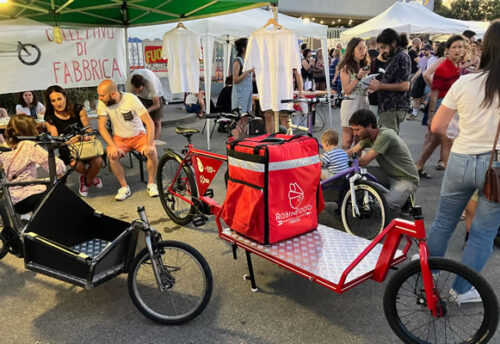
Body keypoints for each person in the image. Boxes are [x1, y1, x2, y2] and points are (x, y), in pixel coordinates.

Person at [426, 20, 499, 301]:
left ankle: (426, 276)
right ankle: (462, 291)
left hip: (460, 158)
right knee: (482, 234)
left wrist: (461, 134)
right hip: (496, 166)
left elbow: (437, 126)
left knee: (443, 222)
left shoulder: (465, 82)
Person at [97, 79, 158, 201]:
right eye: (99, 95)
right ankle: (124, 187)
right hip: (120, 137)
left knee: (152, 152)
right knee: (112, 156)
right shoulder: (102, 103)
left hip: (138, 135)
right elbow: (101, 128)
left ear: (113, 94)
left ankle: (151, 183)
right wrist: (112, 145)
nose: (99, 98)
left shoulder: (131, 99)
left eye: (102, 95)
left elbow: (149, 123)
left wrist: (150, 143)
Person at [347, 109, 419, 211]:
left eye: (357, 129)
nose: (355, 134)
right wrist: (330, 157)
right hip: (387, 173)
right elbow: (352, 151)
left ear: (369, 126)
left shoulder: (385, 135)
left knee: (380, 206)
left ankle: (406, 198)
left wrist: (345, 163)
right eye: (353, 130)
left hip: (406, 179)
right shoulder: (368, 136)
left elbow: (365, 160)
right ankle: (393, 194)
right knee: (355, 174)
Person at [44, 85, 103, 197]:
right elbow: (56, 141)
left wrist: (81, 137)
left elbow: (89, 130)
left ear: (65, 97)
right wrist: (69, 141)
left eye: (59, 99)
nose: (58, 103)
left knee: (98, 161)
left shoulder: (78, 109)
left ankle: (86, 180)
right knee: (75, 164)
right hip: (67, 147)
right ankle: (90, 178)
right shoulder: (50, 117)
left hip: (85, 144)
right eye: (53, 101)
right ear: (50, 103)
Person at [0, 114, 65, 214]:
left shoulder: (8, 150)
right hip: (30, 195)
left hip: (15, 201)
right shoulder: (29, 145)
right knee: (61, 196)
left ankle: (29, 218)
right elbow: (57, 166)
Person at [418, 35, 465, 173]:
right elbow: (435, 92)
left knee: (435, 141)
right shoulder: (443, 66)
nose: (458, 50)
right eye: (454, 47)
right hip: (441, 105)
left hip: (450, 106)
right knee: (446, 140)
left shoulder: (457, 65)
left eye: (460, 47)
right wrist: (432, 114)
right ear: (448, 50)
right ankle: (450, 175)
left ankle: (418, 166)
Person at [368, 29, 411, 135]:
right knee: (387, 142)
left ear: (393, 43)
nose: (382, 51)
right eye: (380, 48)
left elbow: (405, 85)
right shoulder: (396, 56)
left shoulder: (401, 57)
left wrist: (380, 86)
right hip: (388, 107)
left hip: (393, 107)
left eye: (383, 47)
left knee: (386, 143)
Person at [338, 37, 370, 149]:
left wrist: (370, 86)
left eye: (364, 48)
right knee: (347, 141)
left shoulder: (364, 65)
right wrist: (358, 77)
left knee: (360, 141)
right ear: (352, 50)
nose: (363, 51)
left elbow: (362, 87)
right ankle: (342, 165)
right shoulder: (346, 67)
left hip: (363, 103)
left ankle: (357, 165)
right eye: (360, 49)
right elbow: (347, 90)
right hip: (351, 104)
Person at [126, 69, 165, 141]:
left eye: (139, 91)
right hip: (143, 97)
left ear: (144, 85)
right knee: (141, 120)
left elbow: (157, 104)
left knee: (156, 121)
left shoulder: (151, 82)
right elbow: (129, 100)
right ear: (132, 85)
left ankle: (155, 143)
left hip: (157, 96)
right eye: (135, 91)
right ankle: (143, 142)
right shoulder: (129, 83)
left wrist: (146, 111)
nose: (137, 92)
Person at [232, 37, 254, 139]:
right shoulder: (238, 61)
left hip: (247, 94)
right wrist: (247, 72)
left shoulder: (247, 61)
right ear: (243, 48)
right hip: (240, 95)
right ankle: (237, 140)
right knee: (240, 119)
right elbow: (235, 79)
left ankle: (243, 139)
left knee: (246, 118)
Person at [408, 43, 432, 120]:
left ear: (430, 50)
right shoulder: (421, 59)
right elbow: (419, 71)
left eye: (426, 50)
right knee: (416, 97)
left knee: (428, 96)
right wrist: (413, 80)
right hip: (421, 78)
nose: (424, 52)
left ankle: (429, 115)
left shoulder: (433, 59)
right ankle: (414, 114)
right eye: (423, 50)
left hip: (429, 79)